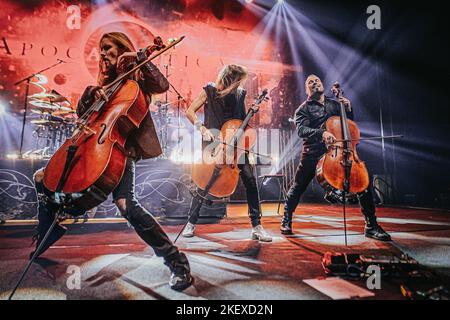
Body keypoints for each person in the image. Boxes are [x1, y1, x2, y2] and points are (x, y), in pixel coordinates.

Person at [31, 32, 193, 291]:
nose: (103, 53)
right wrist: (89, 96)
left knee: (126, 204)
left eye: (108, 48)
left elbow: (161, 85)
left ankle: (177, 262)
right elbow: (84, 117)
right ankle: (49, 227)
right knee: (42, 177)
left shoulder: (136, 80)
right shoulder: (104, 85)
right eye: (101, 49)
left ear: (122, 50)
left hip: (120, 151)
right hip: (92, 146)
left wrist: (138, 57)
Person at [280, 74, 391, 241]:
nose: (314, 82)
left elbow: (348, 126)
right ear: (307, 89)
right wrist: (321, 132)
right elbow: (301, 130)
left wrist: (348, 109)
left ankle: (371, 225)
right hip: (313, 152)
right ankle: (286, 219)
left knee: (363, 183)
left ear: (322, 84)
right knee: (298, 186)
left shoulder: (335, 104)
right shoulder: (303, 109)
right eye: (310, 82)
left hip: (340, 151)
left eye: (316, 80)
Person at [184, 64, 272, 242]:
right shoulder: (209, 90)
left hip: (237, 144)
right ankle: (191, 222)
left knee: (250, 180)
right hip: (213, 140)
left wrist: (251, 113)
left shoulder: (240, 94)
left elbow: (240, 121)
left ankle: (257, 226)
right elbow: (190, 111)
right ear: (230, 79)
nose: (242, 83)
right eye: (239, 80)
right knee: (205, 181)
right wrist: (201, 128)